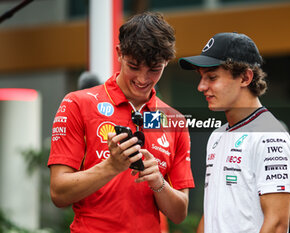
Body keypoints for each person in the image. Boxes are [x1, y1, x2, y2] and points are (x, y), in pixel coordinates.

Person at [48, 12, 194, 233]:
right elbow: (58, 193)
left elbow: (179, 213)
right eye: (134, 66)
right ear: (119, 53)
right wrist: (111, 166)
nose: (143, 79)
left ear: (166, 62)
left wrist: (159, 183)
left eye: (154, 69)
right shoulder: (78, 104)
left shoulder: (173, 121)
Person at [179, 32, 290, 233]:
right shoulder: (217, 135)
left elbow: (277, 224)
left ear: (245, 77)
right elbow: (212, 213)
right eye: (201, 78)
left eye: (212, 77)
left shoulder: (270, 135)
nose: (201, 87)